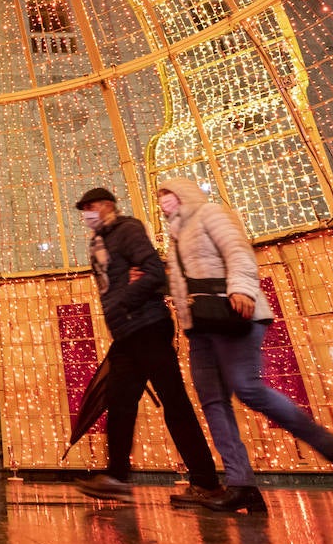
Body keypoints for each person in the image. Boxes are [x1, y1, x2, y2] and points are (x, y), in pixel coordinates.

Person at [159, 178, 333, 513]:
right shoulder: (175, 235)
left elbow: (238, 252)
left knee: (248, 388)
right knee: (213, 403)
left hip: (234, 312)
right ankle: (242, 485)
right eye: (159, 196)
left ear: (183, 193)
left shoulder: (211, 213)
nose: (163, 201)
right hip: (200, 328)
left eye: (167, 193)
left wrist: (241, 288)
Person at [71, 187, 224, 506]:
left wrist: (126, 300)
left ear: (107, 205)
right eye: (83, 208)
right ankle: (116, 476)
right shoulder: (98, 241)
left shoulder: (127, 229)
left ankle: (207, 482)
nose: (86, 213)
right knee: (120, 401)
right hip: (127, 332)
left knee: (174, 401)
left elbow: (153, 270)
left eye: (90, 206)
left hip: (147, 325)